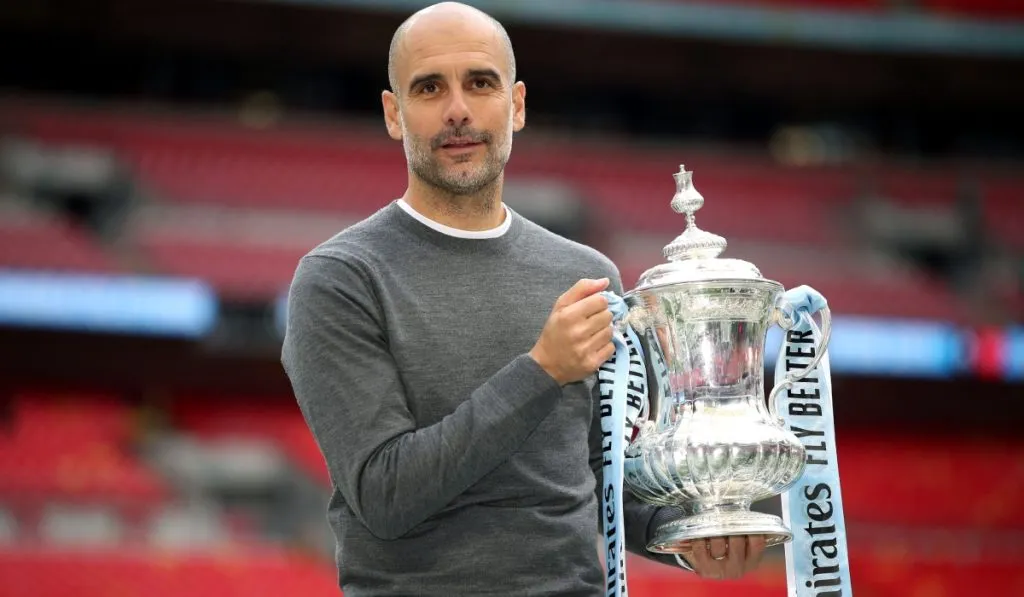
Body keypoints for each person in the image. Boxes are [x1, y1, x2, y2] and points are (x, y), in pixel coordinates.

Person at [281, 3, 766, 595]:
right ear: (394, 113)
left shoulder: (586, 275)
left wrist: (688, 528)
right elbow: (385, 496)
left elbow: (596, 471)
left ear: (516, 105)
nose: (458, 110)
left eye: (480, 83)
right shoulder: (341, 279)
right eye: (430, 88)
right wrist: (541, 372)